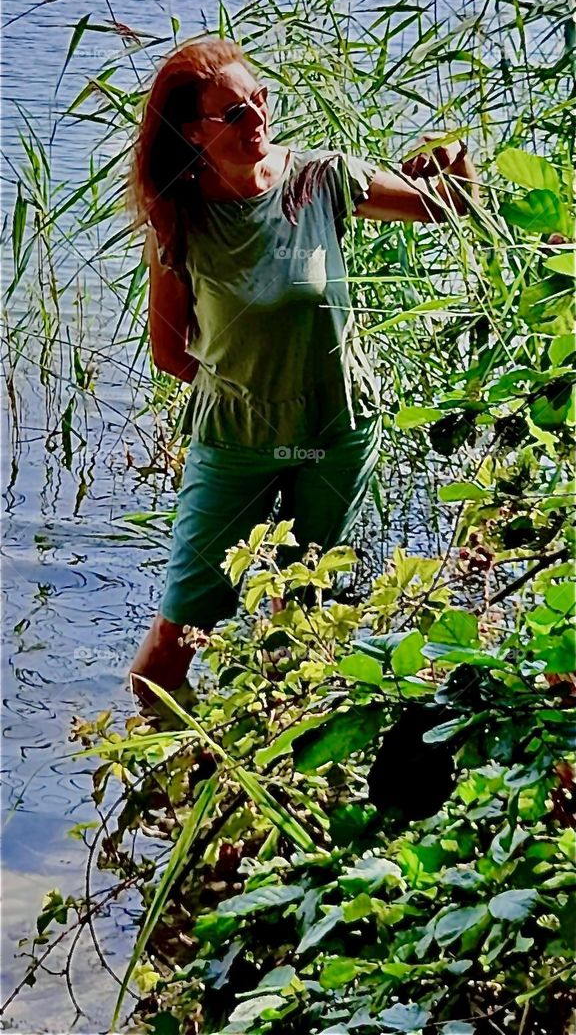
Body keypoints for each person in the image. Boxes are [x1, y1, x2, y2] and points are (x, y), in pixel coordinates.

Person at [127, 37, 479, 702]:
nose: (257, 120)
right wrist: (251, 396)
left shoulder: (322, 179)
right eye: (233, 114)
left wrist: (457, 165)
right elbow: (171, 352)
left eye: (259, 101)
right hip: (235, 444)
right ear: (192, 132)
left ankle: (273, 769)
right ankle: (165, 780)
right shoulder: (182, 216)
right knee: (164, 661)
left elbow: (446, 206)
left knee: (304, 624)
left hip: (337, 432)